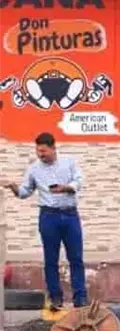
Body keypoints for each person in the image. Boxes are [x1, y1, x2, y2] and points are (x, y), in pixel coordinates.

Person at [2, 132, 86, 311]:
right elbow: (25, 192)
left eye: (44, 151)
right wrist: (14, 188)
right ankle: (56, 298)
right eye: (38, 151)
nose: (41, 155)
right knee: (50, 259)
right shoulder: (34, 169)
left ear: (54, 148)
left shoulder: (69, 163)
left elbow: (78, 181)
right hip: (48, 217)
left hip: (70, 215)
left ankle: (80, 299)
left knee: (76, 258)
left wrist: (67, 188)